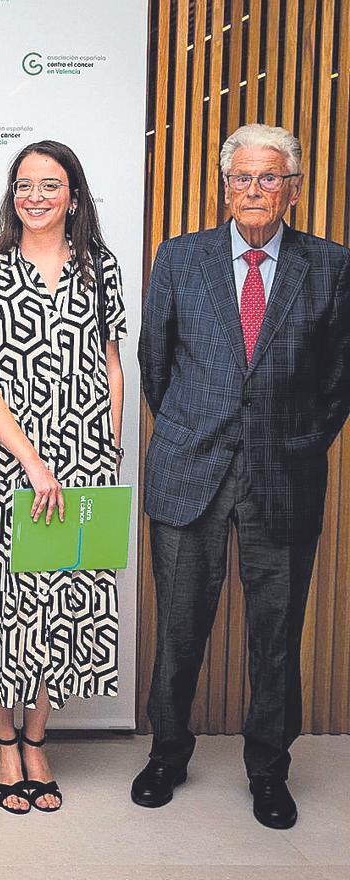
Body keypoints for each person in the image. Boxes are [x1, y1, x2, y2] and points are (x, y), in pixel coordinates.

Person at [135, 123, 350, 829]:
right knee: (179, 628)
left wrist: (299, 443)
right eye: (242, 178)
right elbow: (156, 362)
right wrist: (195, 426)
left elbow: (339, 379)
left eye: (269, 177)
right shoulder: (181, 257)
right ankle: (167, 754)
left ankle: (268, 769)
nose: (254, 190)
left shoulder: (331, 266)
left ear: (293, 188)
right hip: (190, 469)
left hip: (284, 475)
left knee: (275, 634)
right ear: (225, 186)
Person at [0, 140, 126, 814]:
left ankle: (38, 737)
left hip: (80, 463)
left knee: (63, 602)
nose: (36, 196)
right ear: (11, 195)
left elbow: (110, 364)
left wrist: (107, 448)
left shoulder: (100, 267)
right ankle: (3, 740)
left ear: (74, 196)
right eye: (24, 184)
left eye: (50, 184)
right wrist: (33, 461)